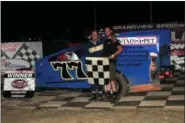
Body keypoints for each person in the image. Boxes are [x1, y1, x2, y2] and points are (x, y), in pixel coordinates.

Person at [103, 26, 123, 102]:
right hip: (104, 62)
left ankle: (114, 94)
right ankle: (108, 94)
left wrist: (113, 55)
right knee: (106, 79)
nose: (106, 32)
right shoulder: (104, 40)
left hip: (111, 62)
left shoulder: (114, 39)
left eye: (108, 30)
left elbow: (121, 49)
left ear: (111, 31)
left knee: (112, 79)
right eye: (105, 31)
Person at [84, 30, 104, 101]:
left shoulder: (101, 42)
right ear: (91, 36)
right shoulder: (87, 44)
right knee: (92, 80)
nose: (94, 35)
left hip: (101, 63)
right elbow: (86, 54)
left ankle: (101, 94)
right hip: (91, 64)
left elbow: (105, 52)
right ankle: (94, 94)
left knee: (101, 79)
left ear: (98, 35)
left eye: (96, 34)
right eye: (93, 34)